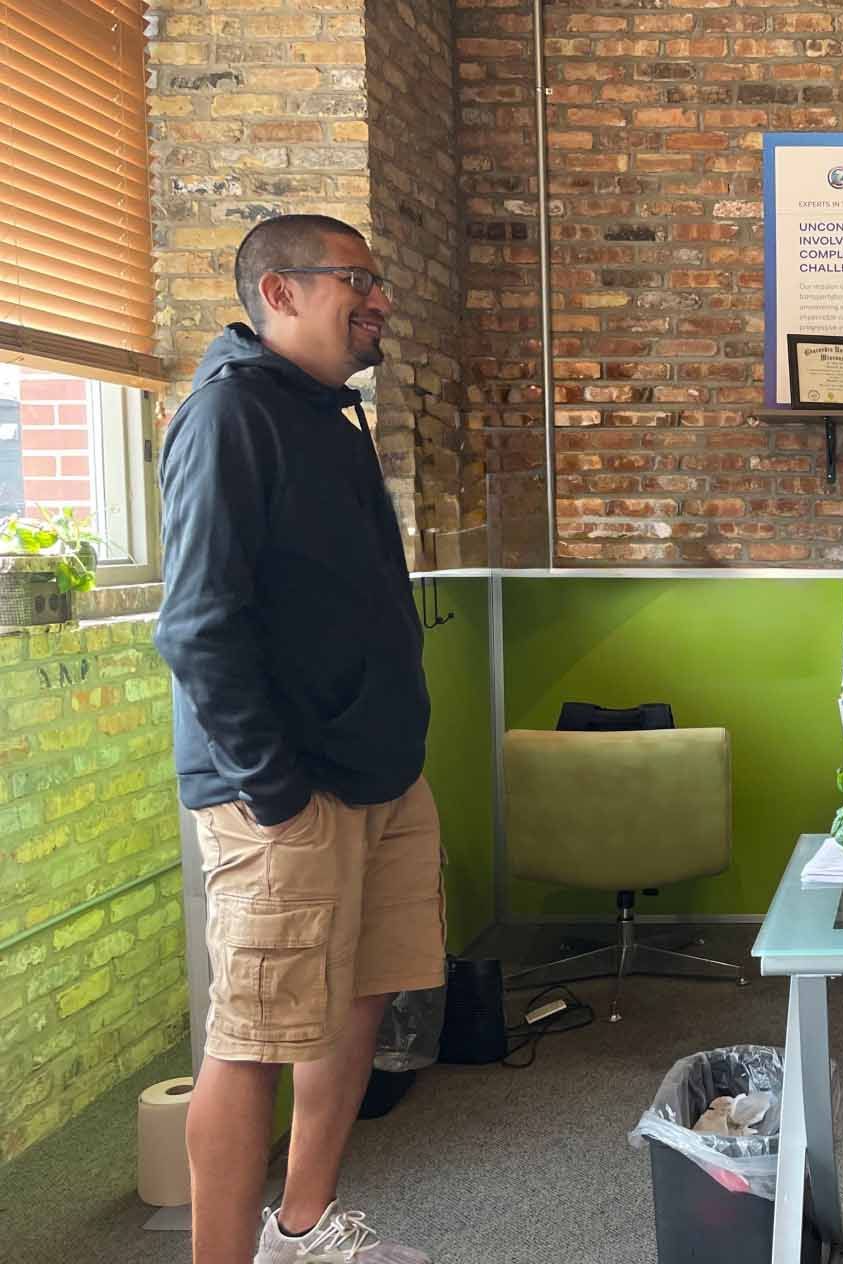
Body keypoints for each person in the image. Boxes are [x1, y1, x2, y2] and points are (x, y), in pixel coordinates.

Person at [154, 215, 441, 1264]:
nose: (379, 300)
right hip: (288, 793)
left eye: (377, 280)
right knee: (254, 1037)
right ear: (278, 291)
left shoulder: (329, 414)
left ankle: (304, 1228)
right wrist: (273, 790)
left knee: (359, 998)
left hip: (379, 778)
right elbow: (195, 625)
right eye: (355, 280)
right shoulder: (230, 416)